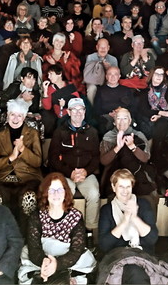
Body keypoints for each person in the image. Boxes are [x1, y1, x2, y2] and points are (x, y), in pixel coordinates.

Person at [98, 169, 168, 285]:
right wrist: (124, 222)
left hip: (143, 254)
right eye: (121, 187)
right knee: (132, 272)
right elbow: (104, 245)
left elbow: (152, 239)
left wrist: (134, 218)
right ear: (114, 188)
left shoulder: (143, 205)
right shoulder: (107, 210)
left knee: (137, 273)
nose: (125, 191)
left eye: (128, 187)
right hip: (117, 256)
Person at [18, 172, 97, 284]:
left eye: (60, 190)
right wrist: (44, 262)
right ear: (45, 193)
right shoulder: (36, 217)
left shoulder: (75, 216)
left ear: (65, 192)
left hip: (69, 262)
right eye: (52, 190)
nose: (56, 194)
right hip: (42, 262)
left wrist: (56, 265)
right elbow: (34, 248)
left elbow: (76, 251)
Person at [48, 98, 100, 236]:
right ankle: (64, 229)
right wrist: (69, 172)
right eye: (74, 110)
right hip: (65, 173)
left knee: (94, 194)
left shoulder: (92, 132)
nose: (78, 113)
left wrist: (86, 171)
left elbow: (96, 157)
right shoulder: (60, 131)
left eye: (80, 109)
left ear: (84, 112)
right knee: (63, 192)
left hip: (85, 174)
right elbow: (53, 158)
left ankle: (89, 231)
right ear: (68, 112)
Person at [0, 99, 42, 235]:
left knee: (27, 198)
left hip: (27, 178)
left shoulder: (33, 134)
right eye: (12, 114)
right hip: (4, 179)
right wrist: (11, 157)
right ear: (7, 116)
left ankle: (26, 239)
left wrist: (23, 149)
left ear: (24, 117)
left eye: (19, 115)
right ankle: (3, 238)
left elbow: (37, 162)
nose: (15, 118)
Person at [100, 108, 156, 203]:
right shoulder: (108, 137)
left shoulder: (139, 135)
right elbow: (104, 161)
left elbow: (146, 158)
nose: (122, 122)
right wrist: (118, 147)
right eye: (118, 118)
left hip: (137, 176)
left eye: (125, 118)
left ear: (130, 121)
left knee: (149, 199)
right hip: (115, 176)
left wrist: (132, 146)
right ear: (114, 122)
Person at [136, 66, 168, 141]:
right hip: (149, 118)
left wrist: (160, 116)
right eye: (156, 74)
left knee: (161, 123)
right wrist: (160, 112)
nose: (159, 76)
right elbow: (144, 109)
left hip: (165, 119)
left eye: (161, 74)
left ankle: (156, 149)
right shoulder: (144, 91)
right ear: (152, 75)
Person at [93, 66, 135, 135]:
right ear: (106, 76)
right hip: (107, 116)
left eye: (115, 74)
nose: (113, 77)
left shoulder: (126, 90)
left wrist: (121, 113)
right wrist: (109, 114)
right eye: (110, 74)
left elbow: (133, 106)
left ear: (119, 76)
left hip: (124, 116)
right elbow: (97, 108)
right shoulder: (101, 90)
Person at [41, 64, 80, 137]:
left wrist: (67, 104)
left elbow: (77, 100)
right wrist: (45, 91)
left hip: (72, 113)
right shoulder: (50, 88)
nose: (49, 77)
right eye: (48, 74)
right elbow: (47, 107)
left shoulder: (69, 84)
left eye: (51, 74)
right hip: (60, 116)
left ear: (59, 74)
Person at [84, 38, 118, 105]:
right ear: (97, 47)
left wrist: (108, 69)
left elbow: (116, 77)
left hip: (108, 82)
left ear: (108, 48)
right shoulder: (91, 57)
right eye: (101, 47)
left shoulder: (113, 59)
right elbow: (89, 74)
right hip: (93, 81)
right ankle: (92, 110)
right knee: (91, 89)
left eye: (105, 47)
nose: (103, 49)